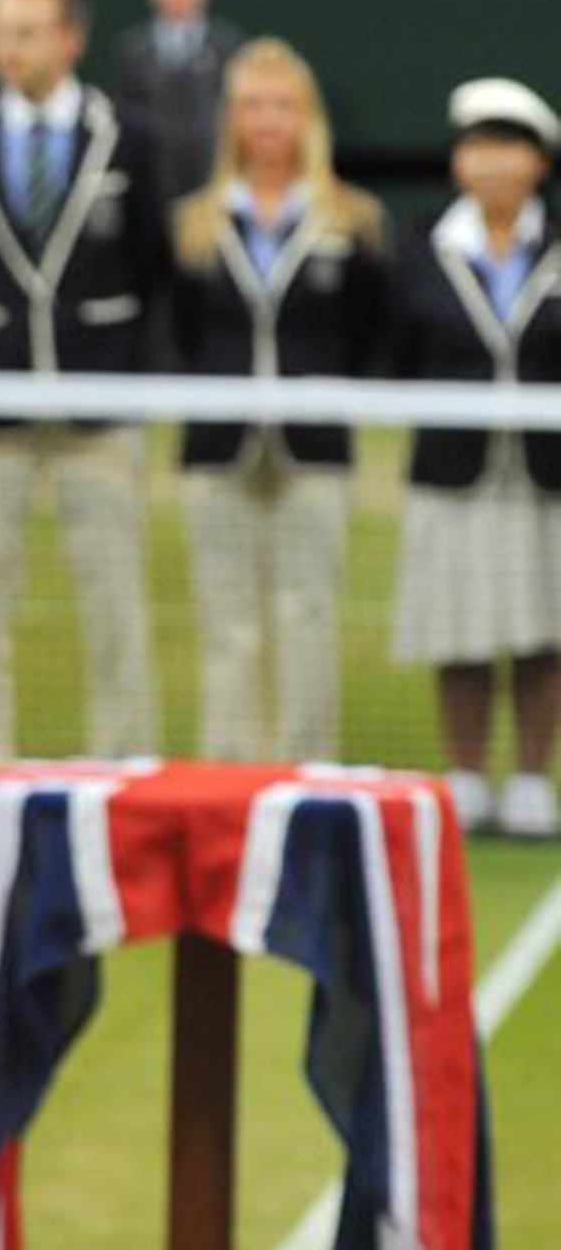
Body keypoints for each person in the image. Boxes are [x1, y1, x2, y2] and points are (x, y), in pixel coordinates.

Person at [0, 0, 167, 824]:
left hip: (101, 409)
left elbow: (152, 263)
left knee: (114, 597)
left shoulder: (127, 138)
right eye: (0, 31)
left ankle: (124, 768)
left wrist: (124, 363)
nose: (7, 48)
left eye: (26, 32)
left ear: (70, 39)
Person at [171, 39, 387, 762]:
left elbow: (363, 335)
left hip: (313, 443)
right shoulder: (195, 222)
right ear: (232, 119)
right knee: (228, 619)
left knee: (309, 613)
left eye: (284, 106)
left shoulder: (352, 221)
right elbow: (186, 333)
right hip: (218, 445)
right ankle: (231, 773)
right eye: (254, 105)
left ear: (308, 118)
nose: (269, 121)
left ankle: (307, 771)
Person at [388, 77, 561, 839]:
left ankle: (529, 778)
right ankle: (463, 771)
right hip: (451, 469)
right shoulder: (422, 247)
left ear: (537, 163)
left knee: (542, 631)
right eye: (477, 149)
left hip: (545, 472)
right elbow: (394, 348)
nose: (491, 164)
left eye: (508, 149)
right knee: (457, 628)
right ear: (459, 163)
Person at [114, 0, 243, 208]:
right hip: (153, 173)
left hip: (213, 169)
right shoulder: (132, 47)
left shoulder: (229, 44)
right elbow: (125, 107)